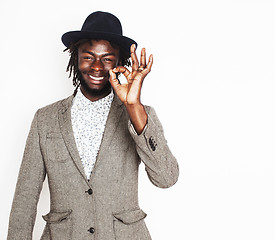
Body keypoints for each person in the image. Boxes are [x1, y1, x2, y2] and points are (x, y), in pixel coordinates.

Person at [7, 11, 179, 240]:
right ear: (75, 57)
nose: (97, 66)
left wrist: (133, 106)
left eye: (107, 59)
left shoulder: (140, 114)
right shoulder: (45, 119)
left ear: (119, 63)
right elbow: (25, 199)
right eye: (88, 57)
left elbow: (166, 178)